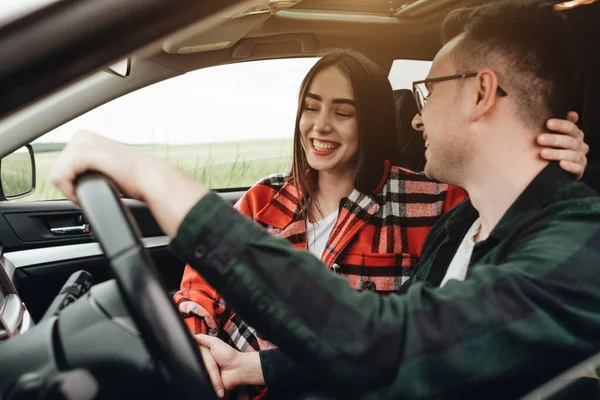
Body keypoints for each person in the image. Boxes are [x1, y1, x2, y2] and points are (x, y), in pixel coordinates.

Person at [50, 2, 600, 398]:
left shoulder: (576, 244)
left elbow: (383, 340)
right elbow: (383, 331)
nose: (417, 114)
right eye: (311, 108)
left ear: (481, 93)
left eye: (429, 91)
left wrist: (153, 177)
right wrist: (248, 369)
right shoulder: (462, 226)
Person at [171, 48, 588, 398]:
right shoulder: (265, 197)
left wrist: (545, 161)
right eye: (311, 107)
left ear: (368, 120)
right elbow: (199, 287)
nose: (320, 125)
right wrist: (195, 347)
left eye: (343, 112)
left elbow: (502, 206)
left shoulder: (436, 201)